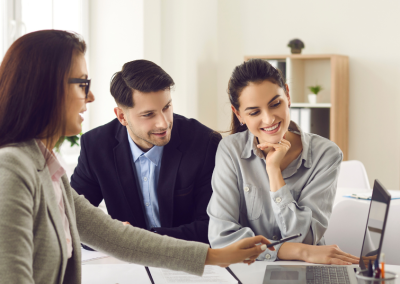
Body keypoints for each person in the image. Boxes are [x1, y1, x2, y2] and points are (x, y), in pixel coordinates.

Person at [0, 30, 274, 284]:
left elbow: (116, 238)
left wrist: (218, 256)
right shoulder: (12, 170)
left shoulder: (47, 170)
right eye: (82, 84)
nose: (91, 96)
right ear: (46, 89)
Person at [207, 59, 359, 265]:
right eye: (254, 112)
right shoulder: (230, 151)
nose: (269, 119)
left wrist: (273, 171)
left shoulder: (326, 154)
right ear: (238, 114)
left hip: (306, 269)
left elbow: (306, 238)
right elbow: (222, 239)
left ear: (287, 95)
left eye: (275, 104)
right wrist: (298, 251)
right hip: (249, 271)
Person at [70, 59, 220, 244]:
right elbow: (71, 219)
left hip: (189, 261)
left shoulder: (203, 142)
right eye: (148, 114)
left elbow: (212, 226)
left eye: (167, 107)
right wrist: (111, 235)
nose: (164, 123)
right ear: (122, 116)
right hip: (127, 264)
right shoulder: (96, 146)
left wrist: (139, 240)